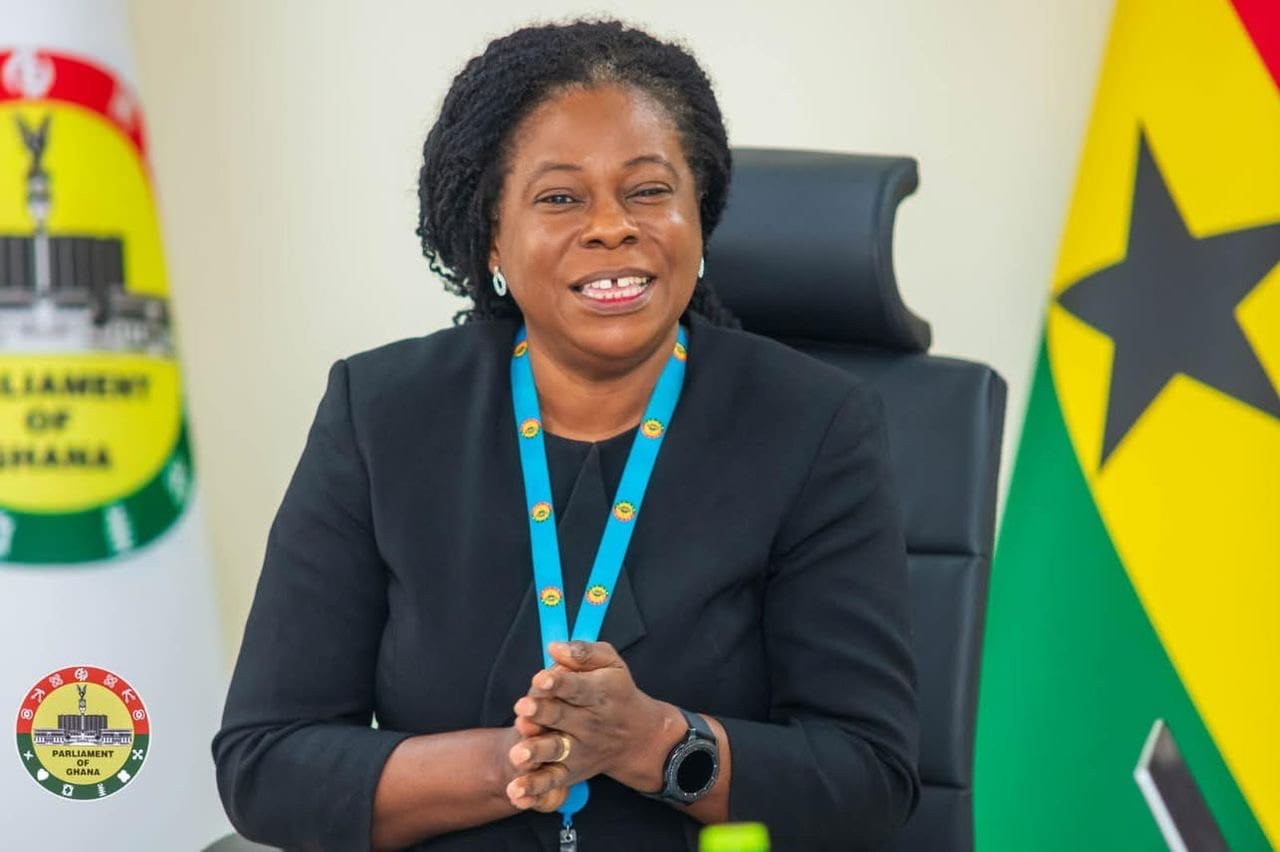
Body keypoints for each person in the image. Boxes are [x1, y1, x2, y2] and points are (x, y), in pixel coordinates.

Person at [213, 19, 919, 852]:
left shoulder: (815, 425)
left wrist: (651, 744)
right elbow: (265, 762)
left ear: (699, 219)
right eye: (560, 198)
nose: (612, 226)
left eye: (648, 191)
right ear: (491, 239)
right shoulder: (381, 413)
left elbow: (869, 781)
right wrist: (515, 764)